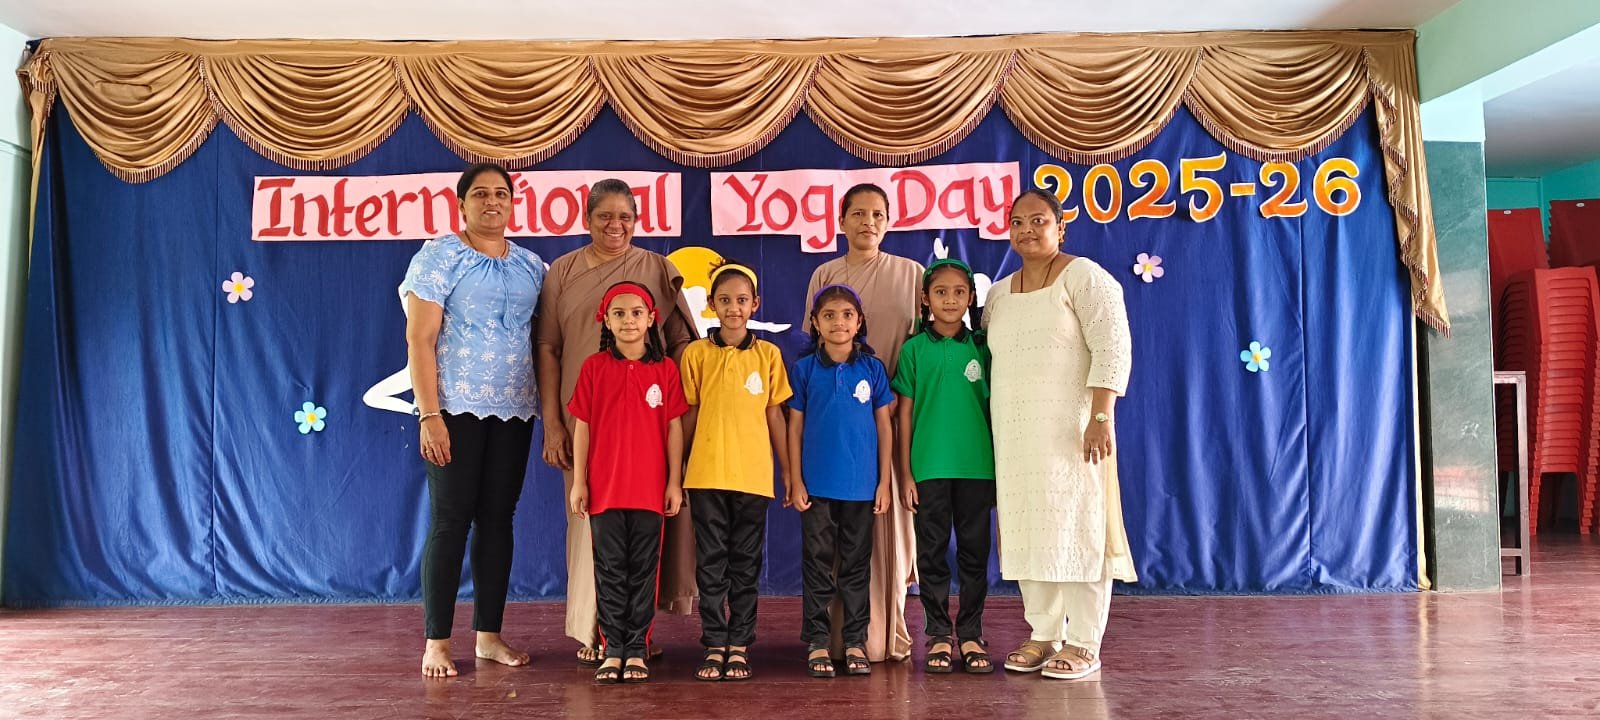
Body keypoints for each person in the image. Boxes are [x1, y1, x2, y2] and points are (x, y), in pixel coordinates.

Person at [535, 179, 699, 665]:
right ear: (587, 219)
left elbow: (682, 341)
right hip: (584, 422)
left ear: (636, 221)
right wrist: (554, 424)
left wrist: (672, 401)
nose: (615, 225)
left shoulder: (655, 268)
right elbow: (548, 347)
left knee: (645, 540)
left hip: (648, 425)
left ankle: (635, 635)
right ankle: (596, 632)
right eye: (605, 216)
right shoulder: (562, 271)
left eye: (625, 217)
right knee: (590, 525)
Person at [400, 162, 547, 678]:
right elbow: (419, 338)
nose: (492, 201)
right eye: (480, 194)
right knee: (450, 520)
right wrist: (430, 414)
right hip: (453, 407)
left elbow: (547, 337)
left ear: (512, 203)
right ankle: (436, 642)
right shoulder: (440, 255)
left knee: (499, 520)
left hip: (515, 408)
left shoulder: (532, 265)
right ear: (461, 204)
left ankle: (489, 636)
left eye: (501, 193)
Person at [983, 189, 1136, 681]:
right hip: (1015, 435)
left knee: (1078, 528)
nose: (1027, 230)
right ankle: (1044, 634)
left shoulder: (1084, 276)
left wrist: (1101, 417)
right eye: (1017, 222)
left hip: (1073, 432)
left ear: (1060, 227)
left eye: (1038, 220)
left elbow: (1112, 346)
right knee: (1029, 529)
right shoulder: (998, 294)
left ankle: (1084, 642)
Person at [800, 183, 923, 663]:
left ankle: (879, 635)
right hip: (838, 430)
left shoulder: (911, 274)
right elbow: (816, 350)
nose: (867, 222)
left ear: (888, 222)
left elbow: (921, 345)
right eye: (857, 213)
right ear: (841, 220)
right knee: (827, 547)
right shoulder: (824, 274)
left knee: (884, 535)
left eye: (877, 214)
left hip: (890, 418)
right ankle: (829, 639)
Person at [567, 282, 689, 684]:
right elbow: (582, 427)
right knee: (610, 571)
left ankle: (637, 648)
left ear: (651, 319)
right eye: (618, 313)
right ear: (606, 320)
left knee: (643, 572)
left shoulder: (665, 370)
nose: (628, 321)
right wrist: (580, 482)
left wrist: (674, 482)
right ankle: (613, 649)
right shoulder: (593, 368)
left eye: (636, 313)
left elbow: (674, 429)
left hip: (650, 491)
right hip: (605, 491)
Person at [679, 261, 793, 681]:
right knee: (711, 563)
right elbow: (688, 415)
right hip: (705, 476)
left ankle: (740, 644)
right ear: (711, 304)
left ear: (755, 304)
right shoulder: (696, 354)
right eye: (724, 300)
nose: (733, 308)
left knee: (745, 564)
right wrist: (677, 470)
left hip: (753, 477)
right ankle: (714, 644)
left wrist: (789, 473)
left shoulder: (768, 355)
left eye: (742, 300)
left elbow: (775, 416)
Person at [892, 257, 996, 674]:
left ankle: (970, 632)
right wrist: (906, 472)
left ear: (971, 298)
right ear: (925, 299)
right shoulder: (913, 350)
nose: (950, 300)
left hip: (977, 468)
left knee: (974, 554)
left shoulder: (983, 348)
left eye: (958, 292)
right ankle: (937, 633)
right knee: (931, 554)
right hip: (928, 468)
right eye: (940, 292)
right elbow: (904, 415)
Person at [788, 284, 894, 678]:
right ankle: (817, 642)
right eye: (829, 315)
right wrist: (795, 479)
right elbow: (794, 428)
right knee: (816, 565)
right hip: (816, 487)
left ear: (859, 321)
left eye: (847, 314)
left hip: (862, 488)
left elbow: (885, 427)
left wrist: (884, 482)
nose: (839, 322)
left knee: (856, 567)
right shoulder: (804, 370)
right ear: (815, 323)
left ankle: (854, 641)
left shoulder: (872, 368)